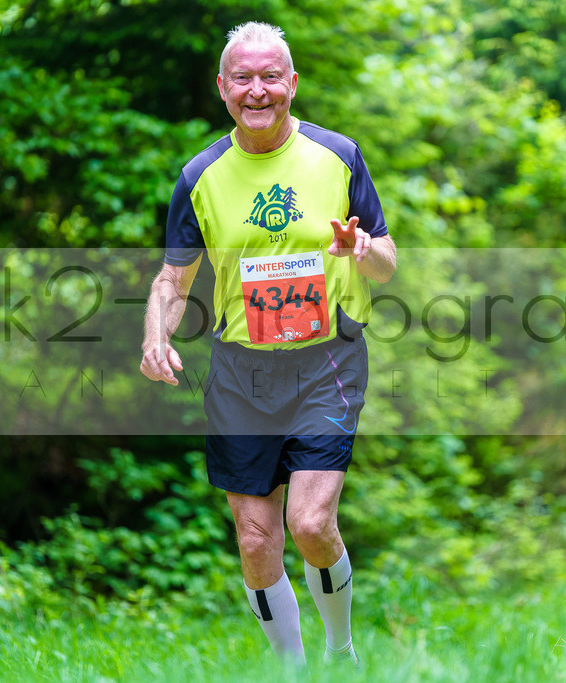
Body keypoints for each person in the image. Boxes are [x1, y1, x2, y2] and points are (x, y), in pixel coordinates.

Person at [140, 21, 396, 669]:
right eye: (244, 79)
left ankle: (341, 651)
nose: (259, 91)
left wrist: (363, 249)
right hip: (241, 372)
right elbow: (173, 278)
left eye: (271, 77)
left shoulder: (338, 154)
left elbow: (388, 259)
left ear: (293, 83)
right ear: (222, 87)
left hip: (326, 358)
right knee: (257, 540)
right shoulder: (199, 174)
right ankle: (293, 669)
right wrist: (155, 335)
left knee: (310, 524)